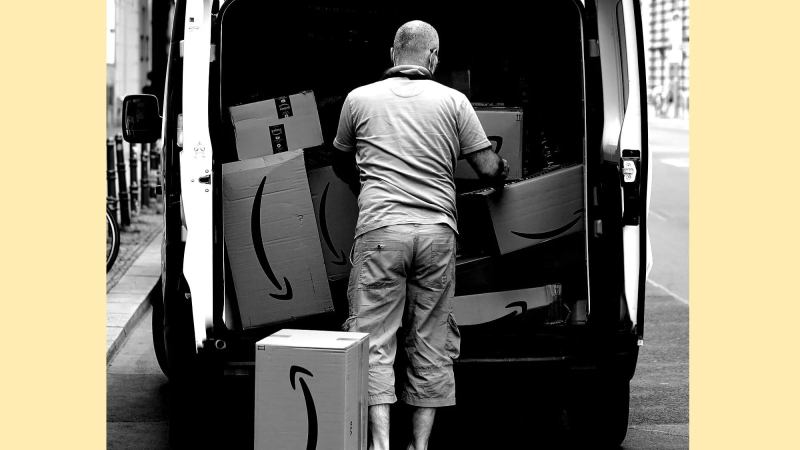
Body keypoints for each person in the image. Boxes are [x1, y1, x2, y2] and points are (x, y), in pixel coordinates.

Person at [333, 20, 508, 450]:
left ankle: (379, 444)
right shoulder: (454, 101)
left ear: (394, 53)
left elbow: (339, 161)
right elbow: (488, 169)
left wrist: (368, 186)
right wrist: (503, 171)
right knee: (431, 339)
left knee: (374, 339)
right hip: (436, 234)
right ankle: (419, 446)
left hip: (381, 231)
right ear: (433, 57)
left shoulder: (358, 99)